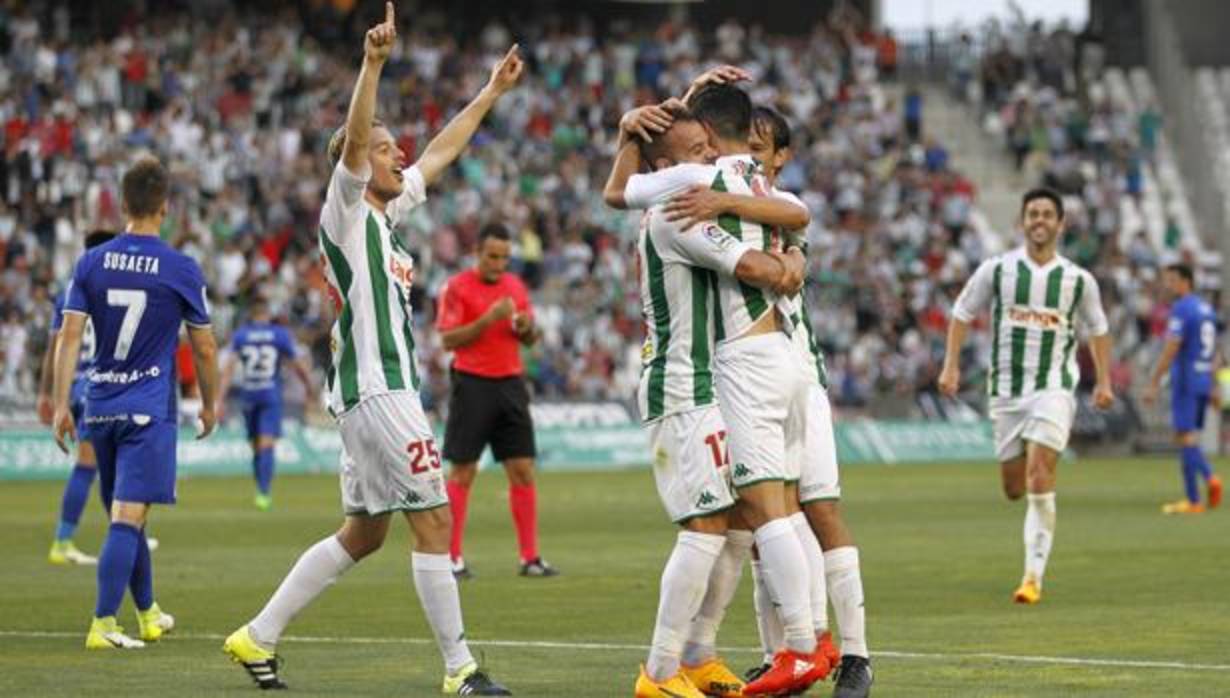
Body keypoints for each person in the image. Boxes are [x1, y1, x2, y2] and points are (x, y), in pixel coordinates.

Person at [222, 6, 520, 694]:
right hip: (379, 391)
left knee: (364, 533)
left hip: (368, 395)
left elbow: (442, 152)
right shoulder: (348, 210)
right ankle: (460, 670)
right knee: (435, 519)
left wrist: (490, 93)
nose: (400, 156)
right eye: (388, 150)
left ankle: (255, 637)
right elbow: (357, 146)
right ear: (358, 164)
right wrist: (373, 65)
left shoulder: (387, 217)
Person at [608, 82, 830, 697]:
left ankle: (700, 654)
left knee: (731, 521)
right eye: (695, 151)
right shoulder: (676, 211)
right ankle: (658, 672)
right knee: (708, 524)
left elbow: (771, 199)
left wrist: (689, 99)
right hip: (680, 385)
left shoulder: (692, 189)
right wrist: (789, 267)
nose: (709, 159)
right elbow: (758, 268)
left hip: (708, 382)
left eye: (710, 146)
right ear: (664, 168)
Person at [52, 157, 220, 649]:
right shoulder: (180, 267)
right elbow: (205, 346)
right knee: (128, 517)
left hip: (98, 404)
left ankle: (147, 612)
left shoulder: (91, 261)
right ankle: (104, 623)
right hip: (147, 409)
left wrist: (63, 403)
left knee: (127, 514)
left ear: (122, 204)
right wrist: (210, 404)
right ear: (164, 207)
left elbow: (68, 336)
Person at [939, 187, 1115, 605]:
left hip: (1053, 387)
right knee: (1014, 487)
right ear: (1022, 222)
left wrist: (1104, 381)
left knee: (1040, 472)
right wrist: (951, 365)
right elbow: (962, 313)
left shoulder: (1077, 280)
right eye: (1033, 214)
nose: (1039, 220)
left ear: (1060, 223)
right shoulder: (997, 271)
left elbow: (1099, 329)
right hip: (1005, 393)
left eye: (1047, 214)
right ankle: (1032, 549)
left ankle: (1032, 578)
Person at [436, 222, 555, 579]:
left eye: (504, 257)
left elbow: (531, 338)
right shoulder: (456, 287)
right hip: (472, 383)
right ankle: (451, 558)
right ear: (477, 253)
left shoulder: (516, 286)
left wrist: (526, 329)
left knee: (522, 470)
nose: (499, 264)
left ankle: (530, 558)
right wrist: (489, 319)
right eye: (492, 256)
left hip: (511, 384)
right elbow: (447, 341)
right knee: (463, 471)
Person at [38, 230, 115, 566]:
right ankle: (65, 540)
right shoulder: (115, 288)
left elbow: (55, 348)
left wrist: (47, 394)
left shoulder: (70, 290)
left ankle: (124, 531)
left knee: (94, 465)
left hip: (75, 385)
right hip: (102, 385)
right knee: (92, 466)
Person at [219, 298, 316, 510]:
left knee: (258, 444)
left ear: (251, 314)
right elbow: (297, 363)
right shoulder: (279, 334)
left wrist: (220, 398)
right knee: (264, 444)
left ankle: (262, 491)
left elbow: (228, 368)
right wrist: (309, 386)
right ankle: (263, 491)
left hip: (248, 395)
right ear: (267, 314)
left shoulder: (241, 335)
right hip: (270, 395)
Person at [1143, 264, 1223, 514]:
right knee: (1186, 437)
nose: (1167, 285)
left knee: (1185, 436)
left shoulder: (1182, 308)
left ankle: (1197, 495)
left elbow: (1171, 347)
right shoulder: (1206, 308)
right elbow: (1216, 350)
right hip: (1202, 379)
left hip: (1186, 379)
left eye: (1172, 280)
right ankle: (1205, 484)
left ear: (1186, 282)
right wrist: (1215, 384)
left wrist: (1154, 382)